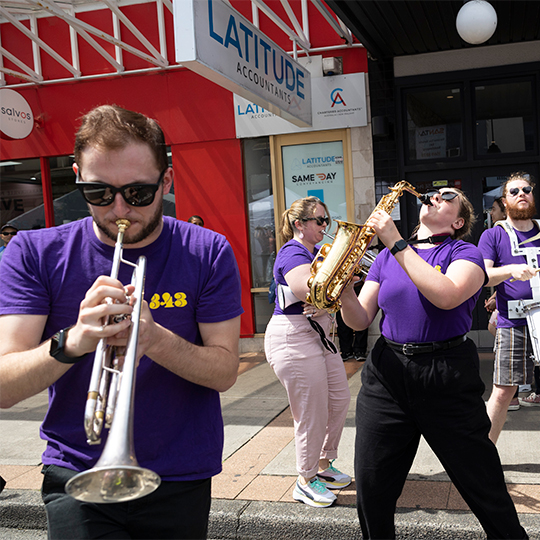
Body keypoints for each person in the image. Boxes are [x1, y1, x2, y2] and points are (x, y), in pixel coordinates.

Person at [0, 105, 243, 540]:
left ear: (165, 182)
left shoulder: (207, 251)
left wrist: (153, 338)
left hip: (181, 473)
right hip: (78, 470)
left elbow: (224, 371)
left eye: (137, 193)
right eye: (97, 192)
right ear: (77, 177)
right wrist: (73, 340)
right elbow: (3, 385)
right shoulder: (33, 253)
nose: (118, 210)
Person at [340, 187, 527, 540]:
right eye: (434, 193)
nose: (435, 196)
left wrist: (395, 241)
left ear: (458, 221)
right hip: (387, 372)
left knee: (482, 484)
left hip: (446, 373)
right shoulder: (385, 258)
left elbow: (446, 295)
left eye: (448, 196)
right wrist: (346, 292)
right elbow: (360, 320)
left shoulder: (464, 252)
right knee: (372, 485)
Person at [264, 196, 351, 509]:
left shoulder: (315, 252)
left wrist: (337, 287)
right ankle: (305, 479)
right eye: (319, 220)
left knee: (339, 399)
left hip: (317, 335)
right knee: (310, 412)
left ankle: (323, 464)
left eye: (326, 220)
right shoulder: (293, 251)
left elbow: (323, 295)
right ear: (299, 224)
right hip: (293, 336)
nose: (325, 226)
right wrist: (338, 286)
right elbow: (307, 289)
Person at [479, 172, 540, 433]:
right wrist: (510, 271)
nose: (521, 194)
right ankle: (483, 459)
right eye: (514, 191)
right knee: (504, 392)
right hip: (511, 323)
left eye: (526, 189)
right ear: (504, 202)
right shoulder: (493, 236)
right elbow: (482, 277)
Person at [336, 282, 368, 361]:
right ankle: (345, 350)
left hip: (358, 284)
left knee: (361, 317)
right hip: (340, 287)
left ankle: (360, 350)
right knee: (342, 321)